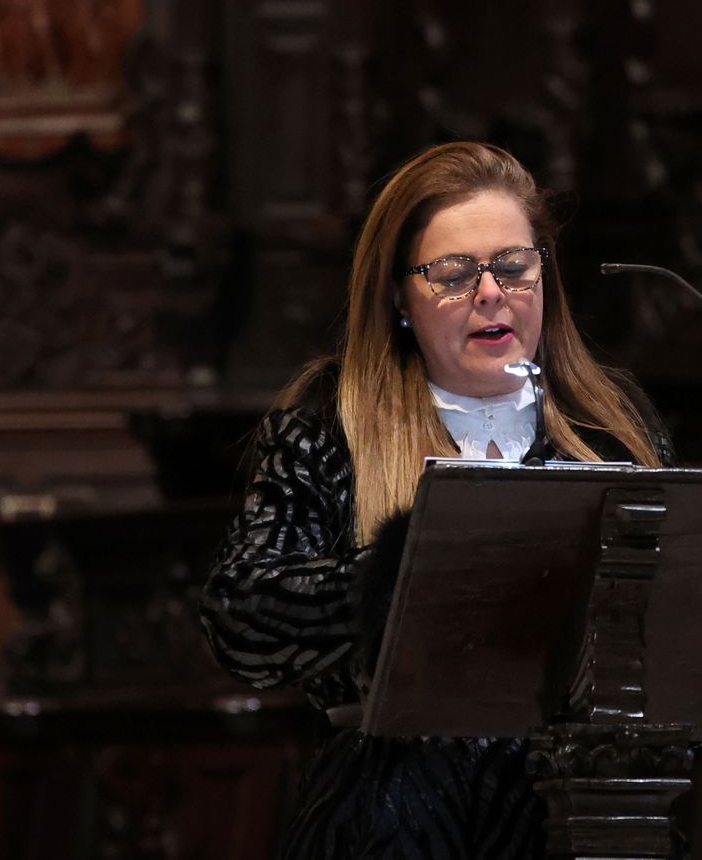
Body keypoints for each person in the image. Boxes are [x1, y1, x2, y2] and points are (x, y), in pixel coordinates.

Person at [199, 141, 672, 859]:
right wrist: (393, 580)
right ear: (398, 297)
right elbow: (240, 615)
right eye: (453, 274)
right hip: (395, 810)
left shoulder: (610, 427)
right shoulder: (331, 422)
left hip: (588, 809)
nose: (491, 293)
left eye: (513, 266)